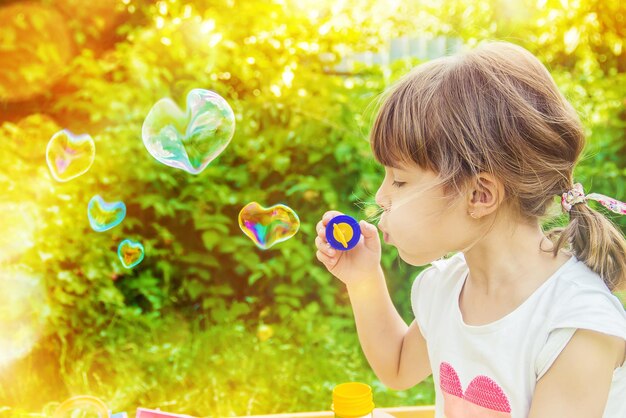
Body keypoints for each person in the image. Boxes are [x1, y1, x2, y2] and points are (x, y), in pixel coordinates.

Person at [315, 41, 626, 418]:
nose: (381, 198)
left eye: (399, 181)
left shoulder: (574, 324)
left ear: (479, 195)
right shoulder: (449, 288)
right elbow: (397, 366)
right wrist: (363, 279)